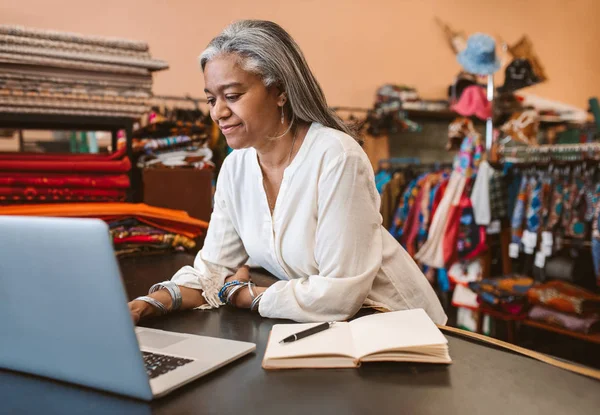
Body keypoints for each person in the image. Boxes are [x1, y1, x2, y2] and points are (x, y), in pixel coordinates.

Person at [128, 20, 447, 325]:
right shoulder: (235, 168)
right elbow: (211, 271)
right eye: (211, 99)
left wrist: (246, 296)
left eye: (233, 96)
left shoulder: (336, 156)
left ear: (279, 91)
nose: (218, 112)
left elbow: (340, 294)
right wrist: (149, 304)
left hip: (397, 325)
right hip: (330, 328)